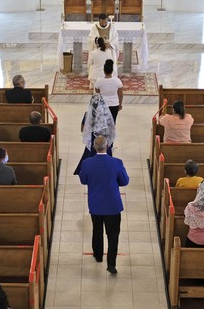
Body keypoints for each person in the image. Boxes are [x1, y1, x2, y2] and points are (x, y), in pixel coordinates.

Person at [79, 135, 129, 274]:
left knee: (97, 230)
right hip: (112, 204)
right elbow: (124, 181)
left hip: (95, 203)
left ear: (94, 147)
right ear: (107, 146)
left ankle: (98, 255)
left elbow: (83, 180)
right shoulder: (117, 163)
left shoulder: (87, 163)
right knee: (113, 234)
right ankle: (111, 264)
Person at [73, 94, 116, 175]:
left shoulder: (87, 114)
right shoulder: (107, 115)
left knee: (90, 157)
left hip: (93, 141)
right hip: (105, 142)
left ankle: (90, 171)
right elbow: (112, 129)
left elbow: (83, 129)